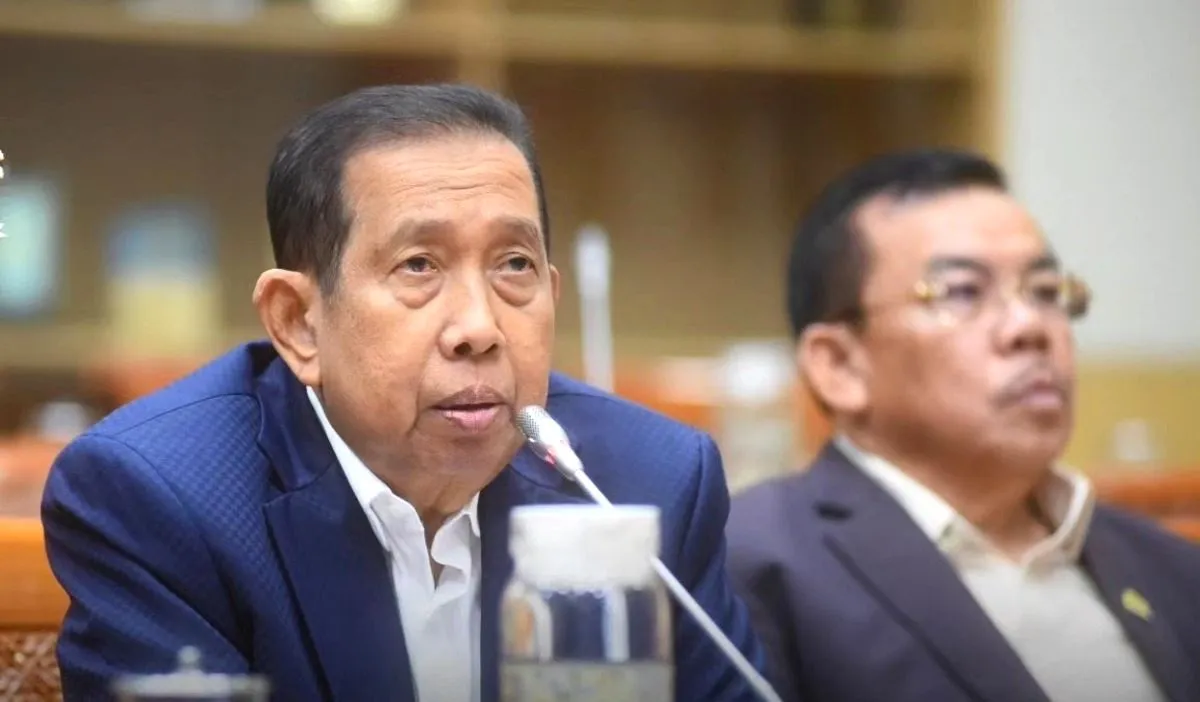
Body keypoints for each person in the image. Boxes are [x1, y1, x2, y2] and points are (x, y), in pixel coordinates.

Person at [42, 84, 766, 702]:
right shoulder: (160, 500)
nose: (480, 328)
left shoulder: (648, 484)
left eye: (514, 265)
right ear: (298, 323)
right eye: (419, 265)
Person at [726, 148, 1200, 702]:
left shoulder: (1173, 567)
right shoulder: (751, 565)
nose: (1030, 326)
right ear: (840, 367)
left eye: (1047, 291)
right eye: (964, 292)